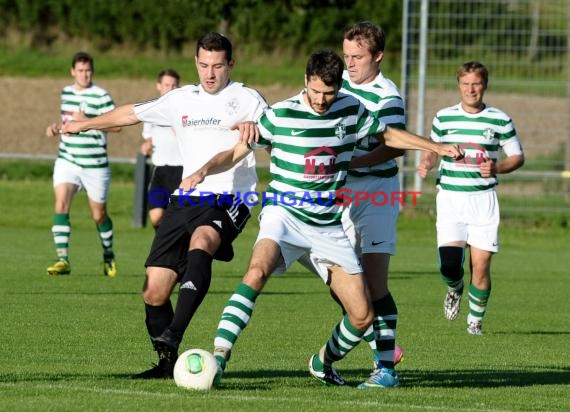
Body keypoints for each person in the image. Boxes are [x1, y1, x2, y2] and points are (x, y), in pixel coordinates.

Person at [184, 49, 462, 389]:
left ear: (339, 87)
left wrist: (435, 146)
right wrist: (203, 170)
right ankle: (220, 358)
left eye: (328, 93)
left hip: (327, 225)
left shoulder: (351, 108)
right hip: (283, 215)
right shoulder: (281, 114)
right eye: (315, 91)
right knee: (256, 272)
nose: (320, 100)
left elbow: (388, 135)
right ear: (305, 81)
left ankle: (321, 362)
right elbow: (235, 152)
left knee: (361, 316)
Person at [61, 32, 268, 378]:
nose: (210, 73)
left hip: (231, 196)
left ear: (231, 64)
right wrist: (85, 124)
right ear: (196, 63)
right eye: (203, 65)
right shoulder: (181, 99)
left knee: (203, 240)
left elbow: (276, 134)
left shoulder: (248, 100)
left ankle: (174, 334)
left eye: (218, 65)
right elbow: (131, 114)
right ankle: (167, 364)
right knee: (154, 290)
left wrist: (257, 130)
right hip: (186, 197)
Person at [418, 61, 524, 336]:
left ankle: (474, 323)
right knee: (450, 265)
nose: (471, 89)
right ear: (458, 86)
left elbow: (516, 156)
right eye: (465, 84)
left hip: (483, 200)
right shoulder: (444, 117)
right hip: (451, 199)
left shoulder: (499, 119)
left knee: (481, 265)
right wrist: (427, 162)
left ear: (484, 85)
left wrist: (497, 167)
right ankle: (454, 288)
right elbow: (433, 147)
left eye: (476, 83)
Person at [328, 21, 407, 385]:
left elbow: (393, 145)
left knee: (374, 282)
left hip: (377, 191)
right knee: (338, 280)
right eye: (346, 57)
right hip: (341, 193)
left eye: (357, 57)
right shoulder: (337, 85)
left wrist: (349, 162)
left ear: (378, 56)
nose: (350, 64)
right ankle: (382, 341)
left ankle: (386, 368)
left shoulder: (387, 95)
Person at [45, 51, 121, 277]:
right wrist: (56, 128)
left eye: (88, 70)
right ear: (72, 72)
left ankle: (108, 254)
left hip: (95, 165)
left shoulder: (102, 96)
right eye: (80, 70)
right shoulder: (66, 93)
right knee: (60, 205)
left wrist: (86, 121)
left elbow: (117, 126)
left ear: (92, 72)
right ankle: (63, 259)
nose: (84, 74)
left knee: (99, 216)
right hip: (67, 159)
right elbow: (68, 123)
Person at [139, 69, 183, 229]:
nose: (170, 89)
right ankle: (167, 247)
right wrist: (147, 145)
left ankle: (173, 248)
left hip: (182, 170)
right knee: (156, 216)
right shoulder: (152, 110)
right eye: (166, 85)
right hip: (160, 170)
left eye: (174, 85)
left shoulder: (184, 111)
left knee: (179, 216)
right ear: (159, 86)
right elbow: (149, 137)